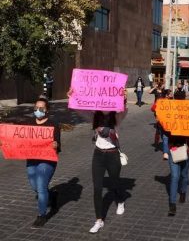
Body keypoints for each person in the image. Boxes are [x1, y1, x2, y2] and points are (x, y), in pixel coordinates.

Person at [67, 87, 129, 234]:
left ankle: (120, 200)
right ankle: (99, 220)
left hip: (113, 155)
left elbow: (124, 110)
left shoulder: (117, 116)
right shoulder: (94, 116)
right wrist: (72, 97)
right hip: (98, 155)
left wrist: (123, 98)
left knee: (114, 183)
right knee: (97, 188)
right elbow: (78, 110)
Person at [0, 97, 61, 228]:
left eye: (41, 108)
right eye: (36, 108)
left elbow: (58, 144)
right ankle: (52, 195)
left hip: (47, 160)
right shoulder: (29, 122)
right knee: (35, 186)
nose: (38, 110)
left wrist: (55, 144)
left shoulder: (53, 124)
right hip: (32, 158)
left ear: (47, 110)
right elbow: (19, 137)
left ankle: (41, 215)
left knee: (40, 186)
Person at [164, 91, 189, 216]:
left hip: (187, 148)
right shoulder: (170, 114)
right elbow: (165, 131)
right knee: (175, 176)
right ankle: (172, 203)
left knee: (183, 174)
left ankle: (183, 191)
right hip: (175, 148)